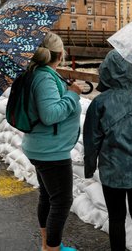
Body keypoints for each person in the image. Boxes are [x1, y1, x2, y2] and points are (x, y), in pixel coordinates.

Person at [83, 50, 132, 251]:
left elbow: (91, 140)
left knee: (116, 217)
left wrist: (89, 167)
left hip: (113, 171)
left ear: (106, 72)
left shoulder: (100, 102)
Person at [21, 31, 82, 251]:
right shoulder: (44, 76)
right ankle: (52, 248)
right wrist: (73, 94)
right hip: (51, 151)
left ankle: (47, 244)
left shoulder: (39, 73)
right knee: (62, 201)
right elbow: (49, 115)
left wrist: (65, 89)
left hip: (42, 146)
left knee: (48, 196)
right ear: (59, 54)